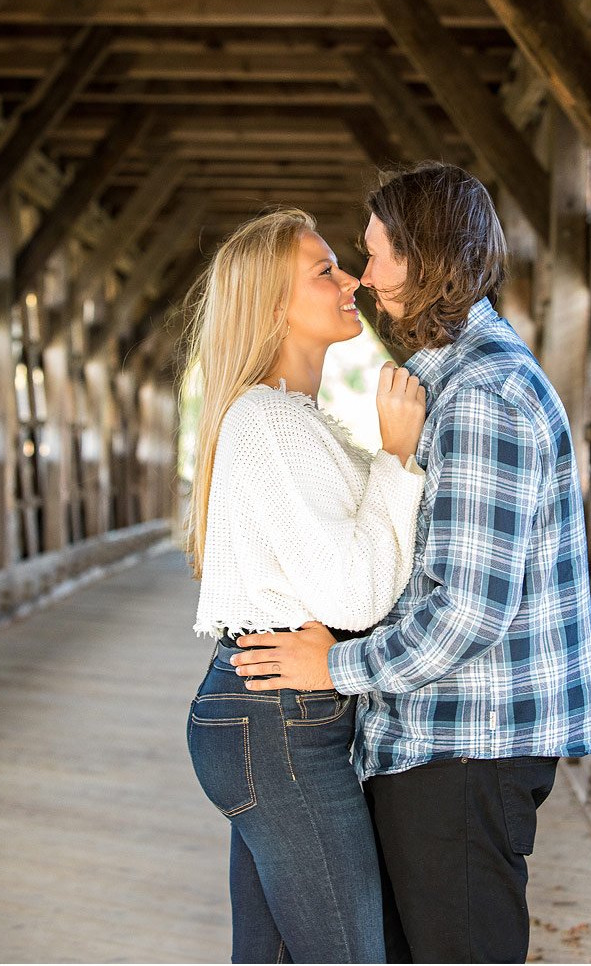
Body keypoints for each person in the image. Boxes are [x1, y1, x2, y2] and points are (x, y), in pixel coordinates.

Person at [231, 163, 591, 965]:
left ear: (428, 256)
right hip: (440, 737)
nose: (364, 281)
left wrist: (335, 666)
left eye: (376, 256)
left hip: (465, 743)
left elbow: (467, 610)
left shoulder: (479, 395)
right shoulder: (456, 383)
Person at [182, 207, 427, 965]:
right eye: (324, 270)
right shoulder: (269, 420)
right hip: (278, 720)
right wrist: (396, 461)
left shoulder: (295, 420)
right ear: (271, 304)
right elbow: (354, 597)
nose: (350, 278)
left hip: (273, 716)